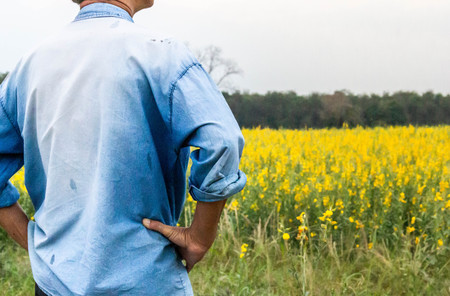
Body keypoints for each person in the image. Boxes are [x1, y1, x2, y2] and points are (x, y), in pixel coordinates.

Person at [0, 0, 247, 295]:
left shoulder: (30, 65)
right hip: (146, 282)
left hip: (54, 285)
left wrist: (41, 247)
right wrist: (199, 238)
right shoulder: (162, 54)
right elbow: (222, 142)